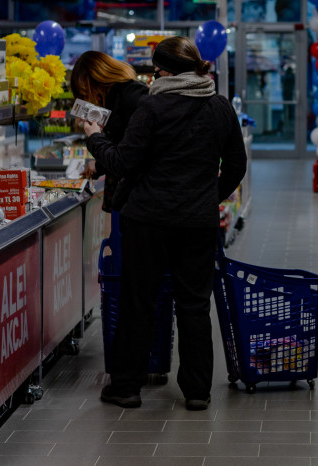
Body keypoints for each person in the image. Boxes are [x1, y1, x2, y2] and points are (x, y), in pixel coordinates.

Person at [83, 36, 248, 411]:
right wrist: (209, 197)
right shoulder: (219, 106)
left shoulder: (153, 108)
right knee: (193, 304)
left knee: (139, 302)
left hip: (148, 221)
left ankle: (126, 387)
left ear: (164, 71)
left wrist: (95, 137)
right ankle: (197, 391)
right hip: (197, 223)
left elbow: (122, 162)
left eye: (155, 71)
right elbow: (236, 165)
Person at [70, 51, 148, 213]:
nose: (88, 100)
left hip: (139, 205)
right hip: (137, 202)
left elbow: (125, 161)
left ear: (92, 82)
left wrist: (95, 136)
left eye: (85, 93)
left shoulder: (130, 99)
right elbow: (126, 150)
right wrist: (99, 166)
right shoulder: (123, 96)